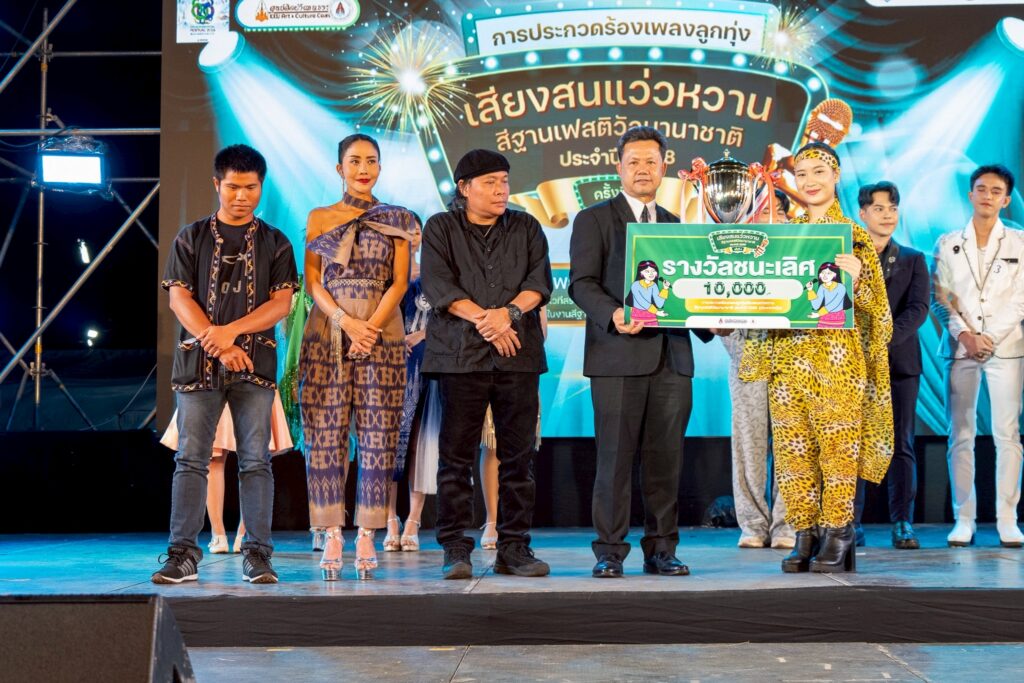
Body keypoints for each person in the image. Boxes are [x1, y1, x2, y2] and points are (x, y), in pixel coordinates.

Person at [737, 141, 893, 574]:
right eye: (801, 173)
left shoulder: (853, 235)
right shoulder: (782, 238)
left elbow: (880, 315)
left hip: (837, 362)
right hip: (788, 359)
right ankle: (804, 532)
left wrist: (859, 282)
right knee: (792, 453)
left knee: (838, 452)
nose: (809, 181)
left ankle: (838, 532)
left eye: (818, 172)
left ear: (836, 176)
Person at [569, 126, 712, 578]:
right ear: (619, 168)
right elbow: (581, 284)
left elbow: (689, 292)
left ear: (664, 166)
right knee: (613, 461)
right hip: (617, 357)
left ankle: (662, 549)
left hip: (672, 360)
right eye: (633, 161)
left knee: (666, 463)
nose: (643, 169)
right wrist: (613, 314)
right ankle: (610, 551)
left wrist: (715, 319)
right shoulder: (593, 219)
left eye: (651, 161)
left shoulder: (677, 227)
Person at [154, 144, 298, 585]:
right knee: (191, 459)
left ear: (261, 187)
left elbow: (281, 304)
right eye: (233, 187)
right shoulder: (191, 237)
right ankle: (182, 555)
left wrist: (229, 333)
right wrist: (218, 344)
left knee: (256, 461)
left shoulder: (276, 241)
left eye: (250, 187)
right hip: (197, 368)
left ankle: (258, 555)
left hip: (255, 366)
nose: (241, 196)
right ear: (217, 184)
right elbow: (180, 299)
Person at [421, 149, 553, 579]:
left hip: (518, 356)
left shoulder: (527, 226)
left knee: (518, 458)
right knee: (455, 458)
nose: (501, 190)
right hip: (461, 358)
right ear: (464, 188)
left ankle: (513, 548)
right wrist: (488, 321)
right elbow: (439, 287)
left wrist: (507, 315)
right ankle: (456, 548)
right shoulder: (441, 228)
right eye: (490, 182)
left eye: (504, 181)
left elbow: (539, 284)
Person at [300, 133, 415, 580]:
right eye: (354, 161)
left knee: (377, 436)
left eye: (371, 161)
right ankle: (331, 533)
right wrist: (345, 322)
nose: (363, 169)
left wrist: (369, 329)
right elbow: (313, 282)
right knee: (325, 436)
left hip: (382, 335)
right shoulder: (320, 216)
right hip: (327, 334)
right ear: (339, 168)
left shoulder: (398, 218)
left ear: (380, 168)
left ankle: (367, 533)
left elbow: (400, 282)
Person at [931, 164, 1024, 548]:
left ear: (1006, 200)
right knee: (960, 435)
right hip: (961, 349)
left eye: (995, 191)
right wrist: (966, 335)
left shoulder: (1019, 242)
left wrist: (990, 336)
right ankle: (963, 518)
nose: (987, 196)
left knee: (1008, 434)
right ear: (971, 195)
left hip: (1007, 349)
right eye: (981, 189)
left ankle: (1007, 519)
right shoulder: (948, 243)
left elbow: (1020, 299)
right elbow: (940, 296)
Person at [853, 181, 929, 550]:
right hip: (854, 364)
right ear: (862, 213)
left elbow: (918, 309)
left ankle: (902, 522)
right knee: (852, 444)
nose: (887, 215)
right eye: (879, 208)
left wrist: (884, 337)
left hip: (900, 364)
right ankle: (850, 522)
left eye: (893, 208)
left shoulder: (913, 258)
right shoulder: (847, 256)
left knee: (902, 444)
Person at [724, 188, 793, 550]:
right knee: (748, 447)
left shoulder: (801, 249)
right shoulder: (733, 252)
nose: (770, 218)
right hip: (746, 358)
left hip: (792, 360)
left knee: (790, 446)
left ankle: (786, 526)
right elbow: (718, 305)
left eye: (776, 212)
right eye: (761, 212)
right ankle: (752, 524)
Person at [160, 395, 293, 553]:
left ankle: (231, 535)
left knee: (251, 459)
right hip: (220, 384)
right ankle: (230, 535)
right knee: (238, 457)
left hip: (231, 384)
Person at [385, 217, 438, 553]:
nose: (412, 236)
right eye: (405, 232)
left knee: (421, 441)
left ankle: (414, 519)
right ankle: (389, 517)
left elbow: (450, 318)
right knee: (387, 445)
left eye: (416, 231)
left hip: (426, 364)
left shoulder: (435, 274)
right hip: (389, 364)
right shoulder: (382, 275)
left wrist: (422, 335)